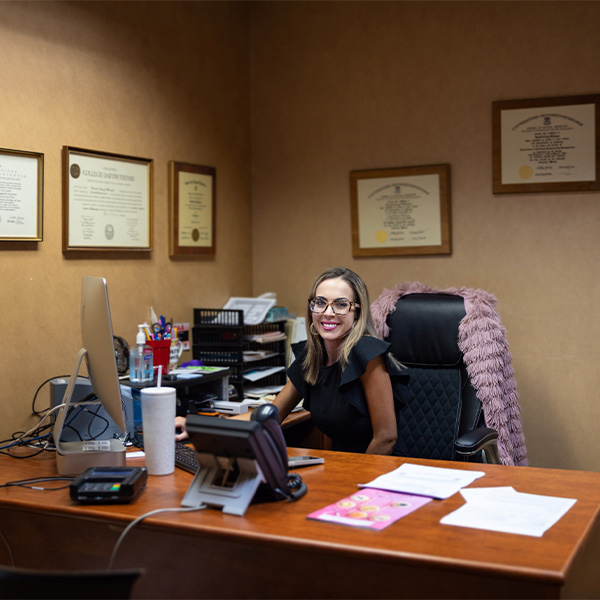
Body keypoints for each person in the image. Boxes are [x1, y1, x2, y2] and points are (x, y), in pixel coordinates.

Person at [176, 267, 408, 455]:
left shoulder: (368, 354)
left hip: (378, 472)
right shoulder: (312, 357)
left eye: (340, 304)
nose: (328, 313)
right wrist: (199, 425)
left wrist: (357, 485)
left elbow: (386, 438)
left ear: (357, 312)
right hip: (343, 469)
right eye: (320, 302)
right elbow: (270, 414)